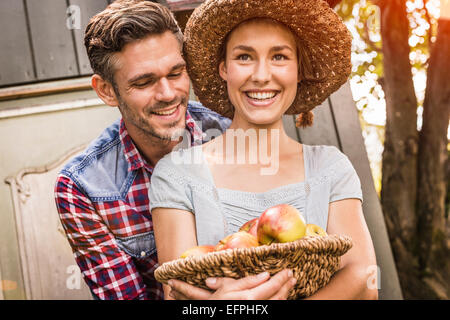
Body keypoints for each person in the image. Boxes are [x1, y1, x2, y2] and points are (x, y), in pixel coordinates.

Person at [149, 0, 378, 300]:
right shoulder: (177, 176)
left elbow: (365, 282)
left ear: (298, 71)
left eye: (279, 57)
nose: (261, 75)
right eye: (244, 57)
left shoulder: (330, 169)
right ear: (224, 70)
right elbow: (178, 294)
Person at [53, 0, 235, 300]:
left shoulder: (232, 134)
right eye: (144, 82)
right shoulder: (81, 188)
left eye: (176, 73)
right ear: (106, 90)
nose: (168, 94)